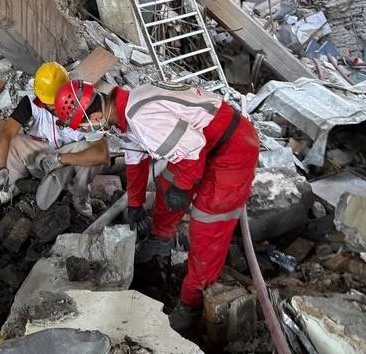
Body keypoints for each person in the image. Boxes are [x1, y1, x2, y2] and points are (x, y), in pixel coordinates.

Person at [53, 79, 259, 334]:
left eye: (85, 125)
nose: (87, 130)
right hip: (204, 143)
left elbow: (194, 148)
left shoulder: (143, 118)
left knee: (208, 223)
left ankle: (190, 303)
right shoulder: (123, 113)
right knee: (166, 186)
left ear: (95, 115)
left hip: (232, 147)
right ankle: (161, 243)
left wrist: (183, 188)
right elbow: (136, 159)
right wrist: (135, 203)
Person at [0, 62, 108, 216]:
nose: (55, 107)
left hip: (72, 163)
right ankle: (12, 183)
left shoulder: (88, 104)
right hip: (44, 159)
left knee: (90, 151)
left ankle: (79, 195)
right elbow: (6, 133)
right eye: (50, 104)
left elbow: (101, 153)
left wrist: (62, 159)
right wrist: (1, 168)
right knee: (15, 142)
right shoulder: (32, 102)